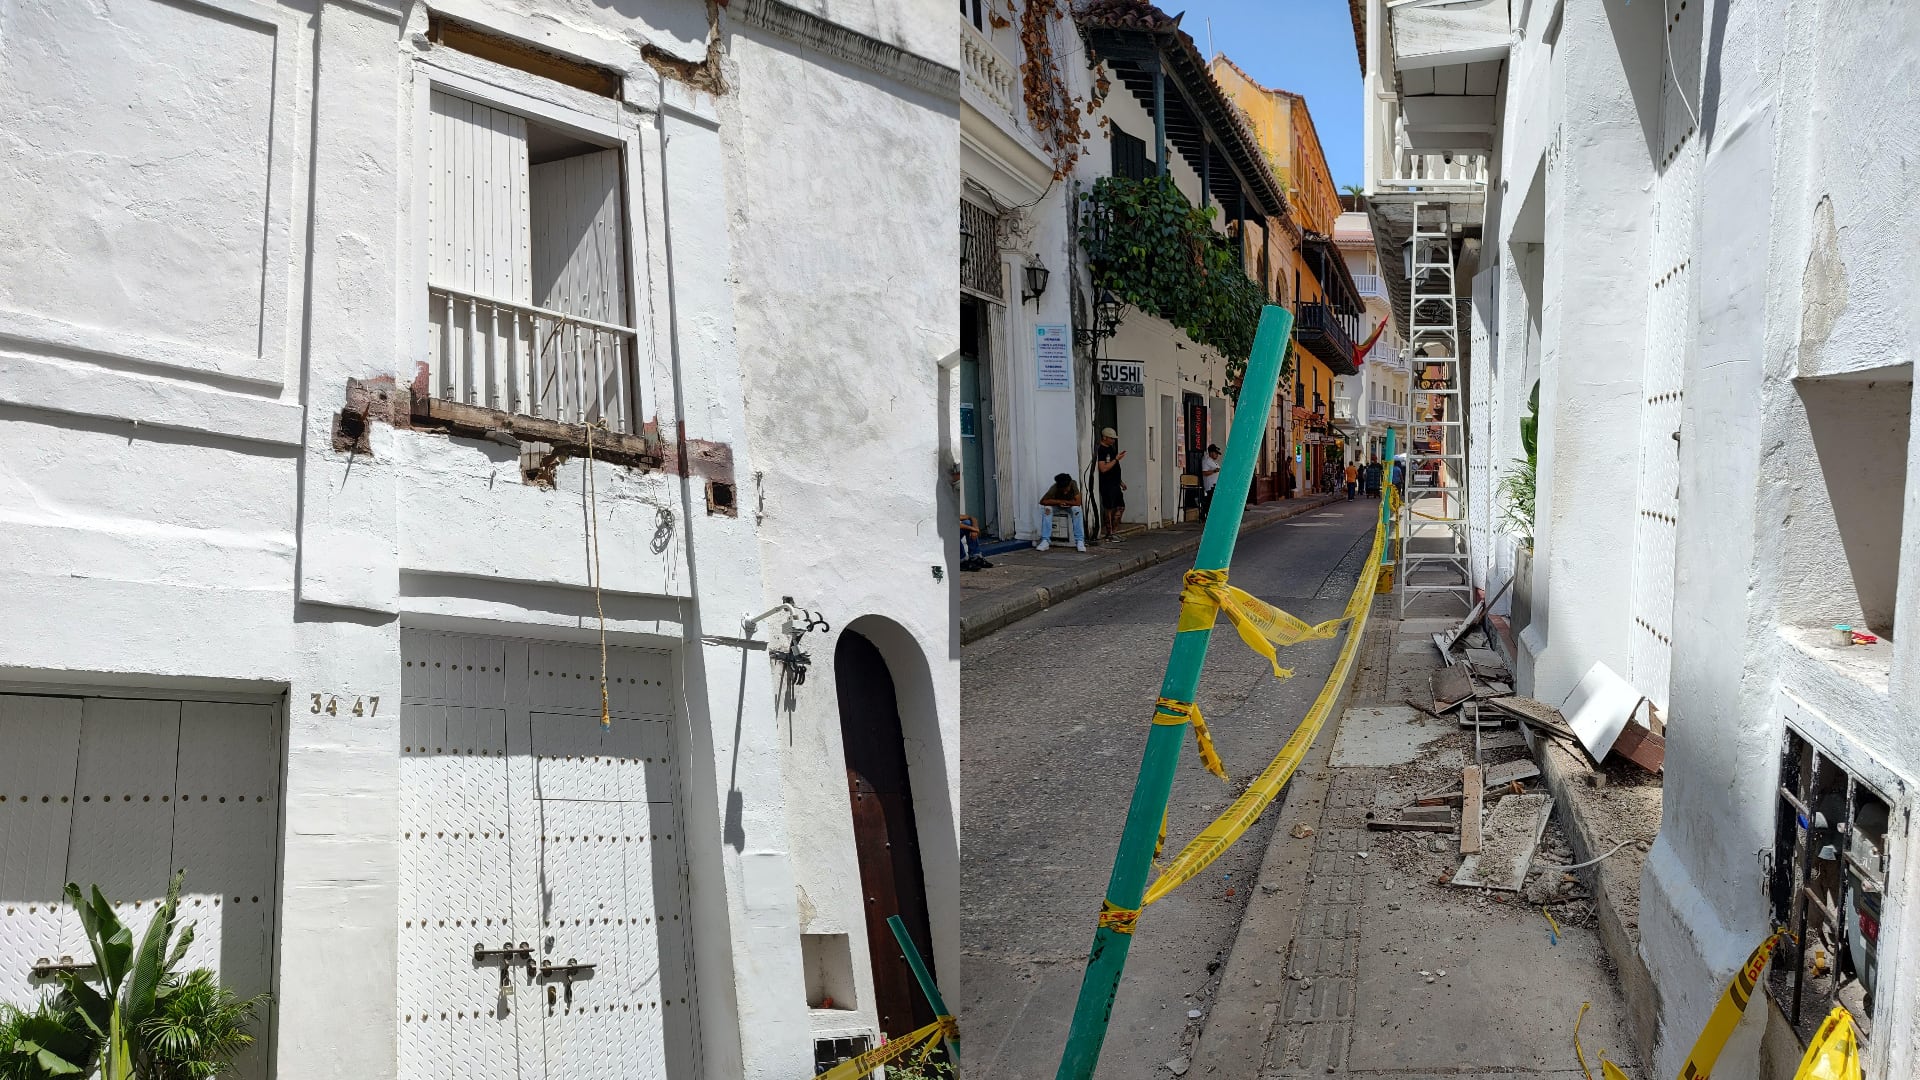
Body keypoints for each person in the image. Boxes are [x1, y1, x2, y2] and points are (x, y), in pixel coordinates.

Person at [1034, 472, 1086, 552]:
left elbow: (1078, 502)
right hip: (1057, 505)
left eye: (1066, 489)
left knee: (1077, 510)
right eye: (1063, 490)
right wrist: (1058, 502)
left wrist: (1066, 502)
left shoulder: (1073, 484)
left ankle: (1079, 541)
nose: (1065, 491)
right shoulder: (1054, 488)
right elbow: (1042, 501)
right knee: (1047, 509)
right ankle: (1045, 541)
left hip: (1070, 506)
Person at [1095, 427, 1126, 542]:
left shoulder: (1111, 448)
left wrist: (1120, 482)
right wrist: (1116, 459)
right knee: (1108, 508)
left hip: (1115, 483)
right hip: (1107, 484)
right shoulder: (1101, 450)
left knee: (1120, 506)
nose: (1113, 440)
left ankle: (1114, 531)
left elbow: (1114, 468)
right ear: (1105, 437)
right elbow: (1103, 468)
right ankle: (1109, 533)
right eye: (1111, 438)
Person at [1198, 444, 1222, 521]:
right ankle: (1206, 516)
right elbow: (1204, 472)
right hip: (1210, 485)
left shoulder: (1212, 461)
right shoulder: (1206, 460)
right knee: (1209, 502)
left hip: (1215, 484)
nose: (1217, 455)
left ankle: (1207, 516)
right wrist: (1215, 471)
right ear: (1211, 452)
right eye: (1216, 453)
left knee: (1211, 501)